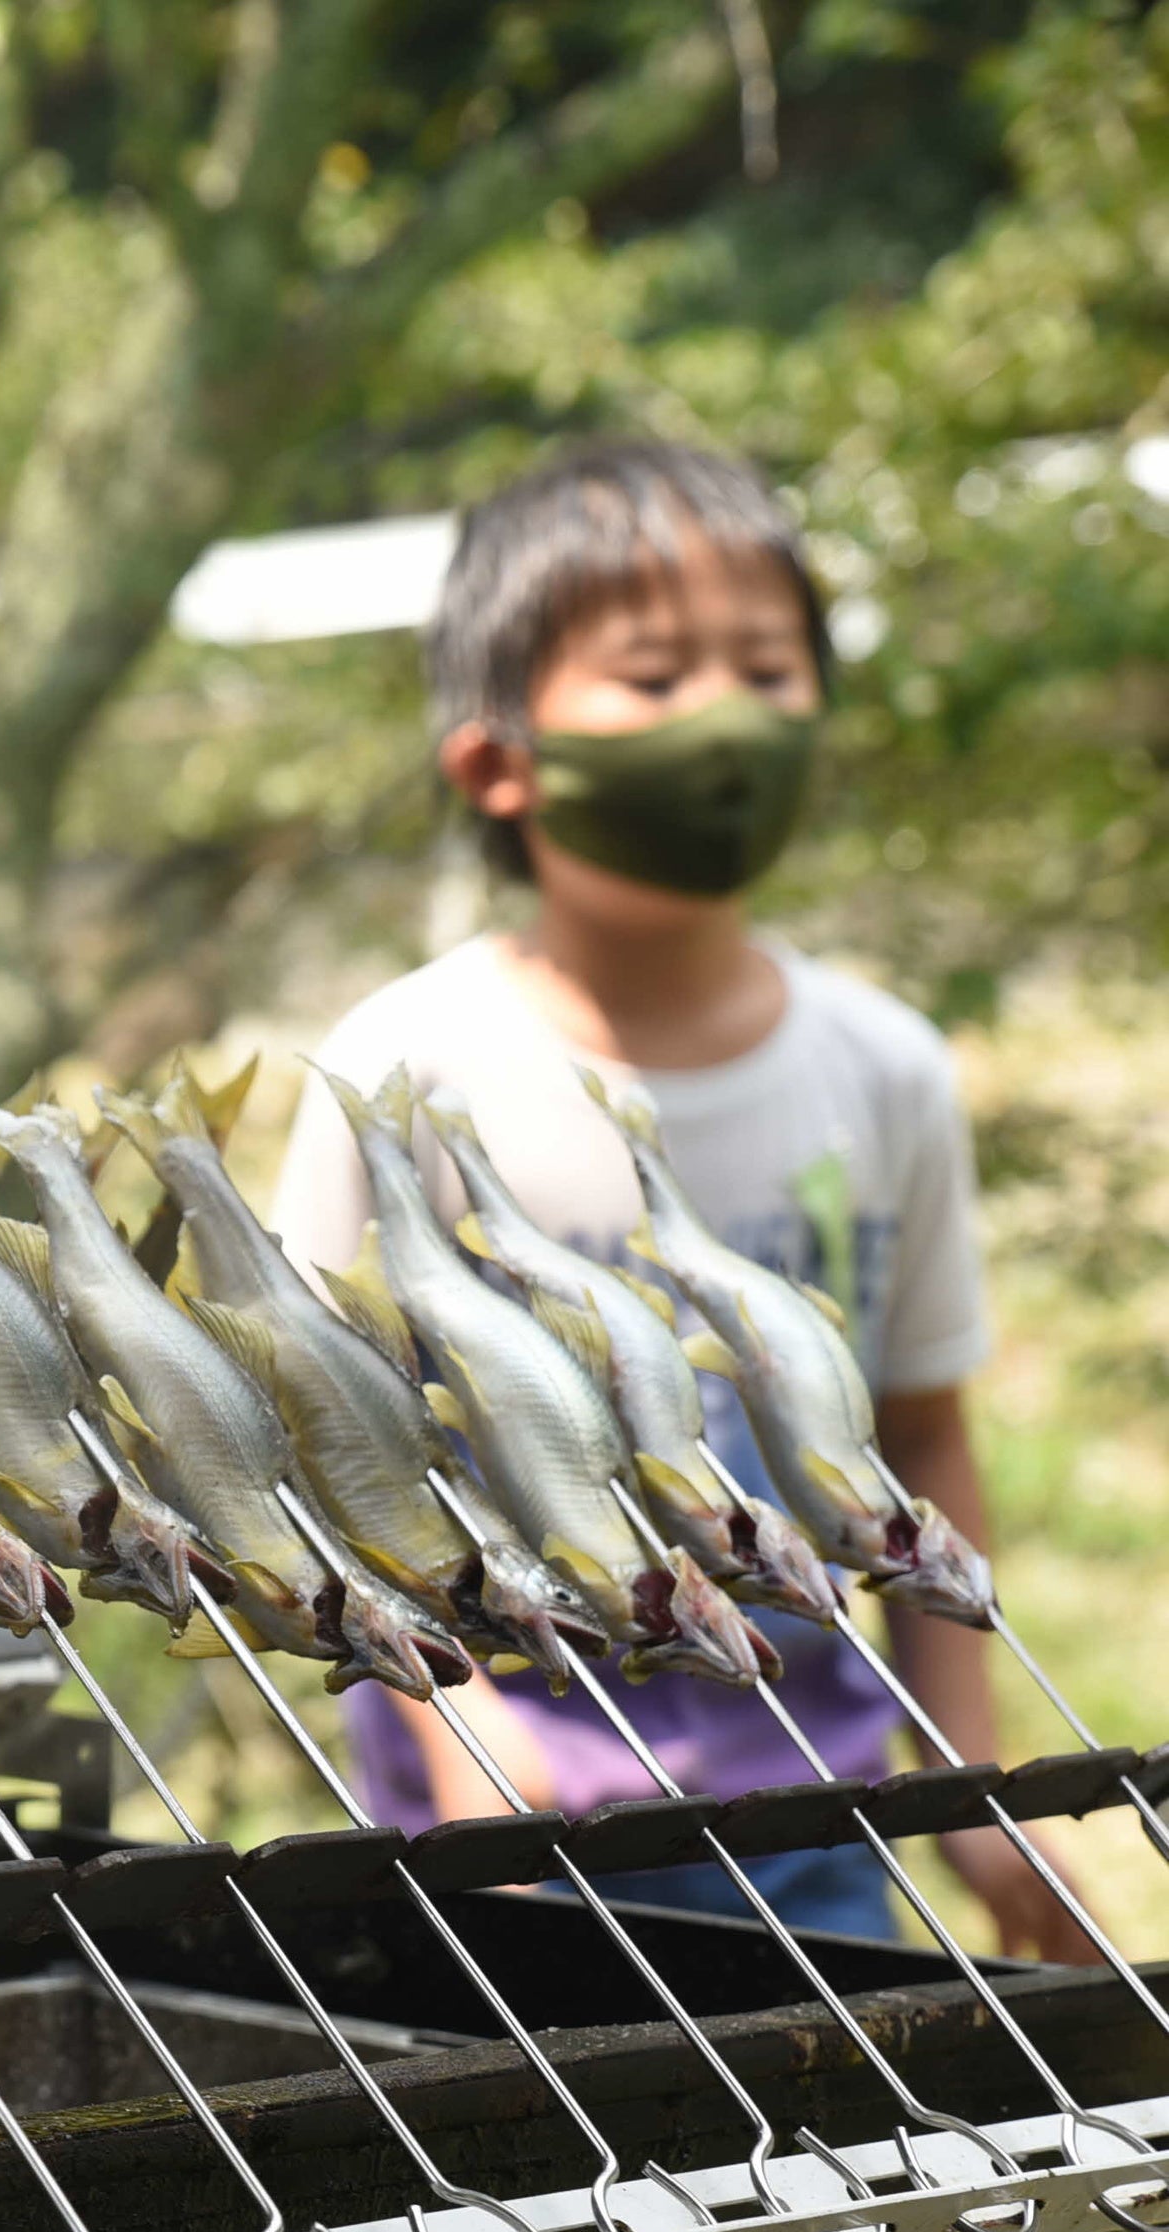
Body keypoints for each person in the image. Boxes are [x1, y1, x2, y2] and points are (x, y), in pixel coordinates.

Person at [269, 439, 1084, 1957]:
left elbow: (919, 1442)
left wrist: (971, 1789)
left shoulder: (885, 1070)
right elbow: (335, 1467)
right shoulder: (403, 1069)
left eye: (768, 669)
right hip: (490, 1861)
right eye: (653, 677)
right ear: (494, 760)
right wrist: (468, 1762)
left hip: (822, 1836)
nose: (725, 717)